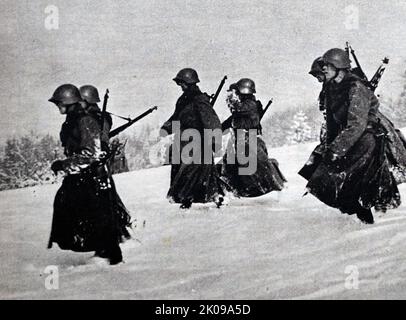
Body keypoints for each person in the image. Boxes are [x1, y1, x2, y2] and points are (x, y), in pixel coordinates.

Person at [303, 48, 406, 224]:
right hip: (349, 134)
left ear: (338, 67)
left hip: (366, 134)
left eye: (327, 66)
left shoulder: (356, 87)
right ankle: (354, 209)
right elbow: (332, 124)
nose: (324, 69)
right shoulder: (330, 89)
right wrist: (330, 148)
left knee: (360, 175)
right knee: (321, 173)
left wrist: (337, 149)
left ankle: (370, 214)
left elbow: (357, 124)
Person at [47, 84, 131, 265]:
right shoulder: (74, 120)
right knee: (86, 214)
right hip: (84, 176)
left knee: (100, 218)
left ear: (69, 102)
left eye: (60, 103)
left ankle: (110, 258)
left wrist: (65, 164)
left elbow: (91, 153)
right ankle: (104, 253)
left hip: (92, 176)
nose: (58, 107)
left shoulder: (84, 121)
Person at [160, 68, 226, 209]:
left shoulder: (200, 100)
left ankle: (215, 197)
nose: (181, 86)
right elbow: (176, 118)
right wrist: (166, 128)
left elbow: (211, 122)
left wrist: (214, 141)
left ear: (189, 82)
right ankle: (186, 198)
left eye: (182, 83)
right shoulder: (182, 100)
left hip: (199, 142)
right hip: (184, 141)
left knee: (196, 171)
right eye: (180, 83)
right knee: (184, 171)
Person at [221, 78, 286, 197]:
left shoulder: (249, 104)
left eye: (237, 92)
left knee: (254, 168)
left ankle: (255, 191)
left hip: (249, 139)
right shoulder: (241, 109)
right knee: (232, 164)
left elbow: (237, 108)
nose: (235, 95)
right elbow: (230, 121)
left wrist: (231, 97)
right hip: (241, 139)